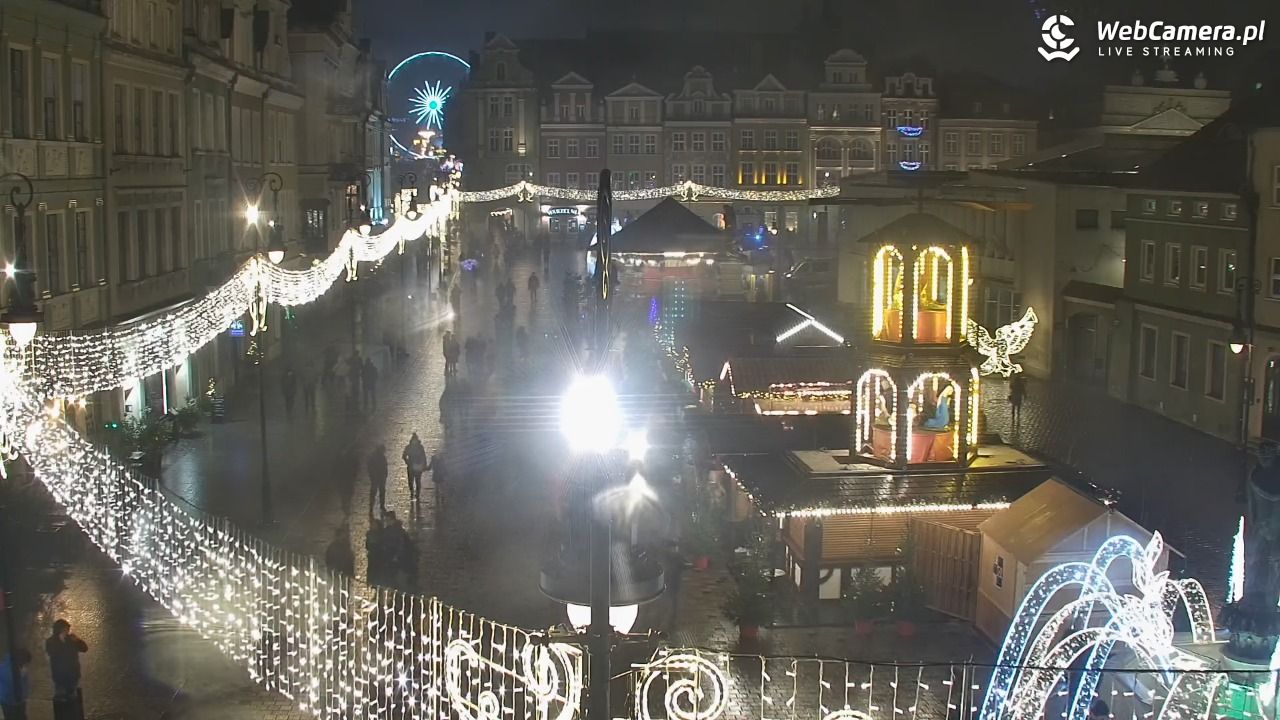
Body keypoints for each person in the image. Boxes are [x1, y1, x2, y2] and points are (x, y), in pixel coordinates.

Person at [45, 619, 87, 702]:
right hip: (60, 676)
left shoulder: (71, 639)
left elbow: (84, 649)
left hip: (73, 675)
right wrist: (61, 641)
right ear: (60, 629)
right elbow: (53, 652)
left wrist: (78, 641)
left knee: (73, 699)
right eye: (66, 629)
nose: (67, 631)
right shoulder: (51, 641)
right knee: (61, 699)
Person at [0, 649, 32, 720]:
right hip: (9, 702)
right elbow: (10, 684)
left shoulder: (18, 667)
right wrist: (22, 675)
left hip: (19, 701)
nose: (26, 665)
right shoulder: (5, 668)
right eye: (25, 663)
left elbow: (25, 684)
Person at [402, 433, 428, 501]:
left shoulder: (420, 447)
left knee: (418, 481)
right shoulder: (409, 447)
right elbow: (404, 455)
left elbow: (423, 456)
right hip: (411, 466)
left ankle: (417, 493)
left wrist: (424, 465)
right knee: (410, 481)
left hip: (418, 466)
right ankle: (412, 491)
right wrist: (408, 462)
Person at [367, 444, 388, 515]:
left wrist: (385, 474)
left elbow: (385, 467)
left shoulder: (379, 457)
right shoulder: (375, 457)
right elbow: (370, 468)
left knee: (379, 492)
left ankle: (380, 506)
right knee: (375, 492)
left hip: (379, 477)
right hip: (377, 477)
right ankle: (374, 506)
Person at [365, 518, 385, 585]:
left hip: (379, 556)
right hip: (373, 556)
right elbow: (367, 545)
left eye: (374, 524)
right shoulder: (370, 534)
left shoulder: (381, 534)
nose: (372, 526)